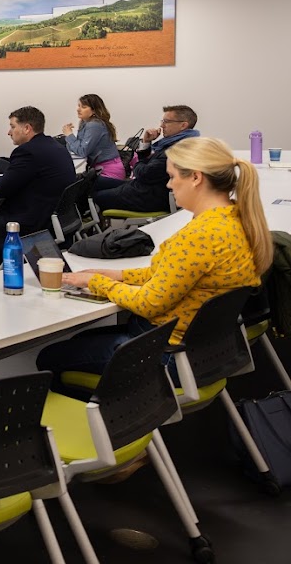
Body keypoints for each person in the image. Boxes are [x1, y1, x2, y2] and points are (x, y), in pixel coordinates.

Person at [37, 137, 270, 377]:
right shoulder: (236, 220)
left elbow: (149, 303)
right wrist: (118, 275)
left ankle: (104, 411)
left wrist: (94, 282)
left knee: (50, 356)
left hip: (166, 354)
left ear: (196, 178)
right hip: (205, 350)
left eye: (172, 177)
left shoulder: (198, 236)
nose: (169, 185)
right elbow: (173, 275)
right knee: (82, 341)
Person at [0, 106, 75, 271]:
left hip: (30, 221)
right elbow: (21, 177)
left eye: (13, 126)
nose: (9, 132)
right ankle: (9, 266)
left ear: (27, 128)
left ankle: (8, 268)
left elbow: (1, 189)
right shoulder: (56, 146)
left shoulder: (27, 152)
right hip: (53, 217)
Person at [92, 105, 199, 213]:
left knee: (93, 198)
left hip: (148, 196)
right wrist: (146, 142)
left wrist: (138, 164)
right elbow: (147, 168)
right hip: (143, 187)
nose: (161, 125)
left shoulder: (177, 150)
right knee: (94, 182)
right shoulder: (175, 143)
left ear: (183, 125)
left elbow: (144, 173)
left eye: (166, 121)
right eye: (162, 121)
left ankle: (83, 225)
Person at [61, 94, 124, 179]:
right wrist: (70, 138)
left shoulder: (94, 125)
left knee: (74, 184)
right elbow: (77, 146)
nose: (78, 109)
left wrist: (69, 135)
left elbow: (82, 151)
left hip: (109, 171)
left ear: (94, 110)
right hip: (98, 168)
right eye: (79, 106)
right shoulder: (84, 123)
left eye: (83, 107)